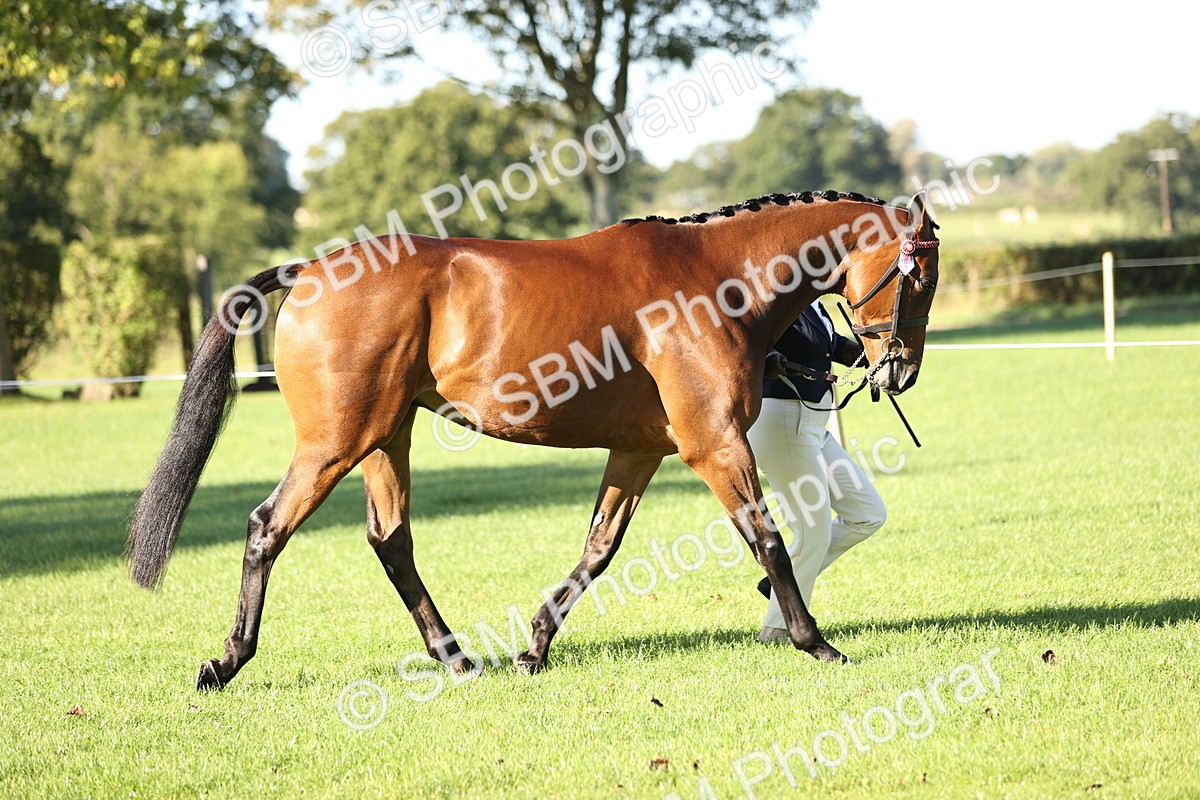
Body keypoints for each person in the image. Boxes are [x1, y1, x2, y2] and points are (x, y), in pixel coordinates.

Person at [748, 298, 888, 642]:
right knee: (813, 533)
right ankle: (778, 628)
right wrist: (764, 361)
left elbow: (830, 343)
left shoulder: (811, 300)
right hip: (782, 422)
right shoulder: (768, 299)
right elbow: (744, 343)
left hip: (814, 424)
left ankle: (783, 581)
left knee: (867, 513)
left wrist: (872, 357)